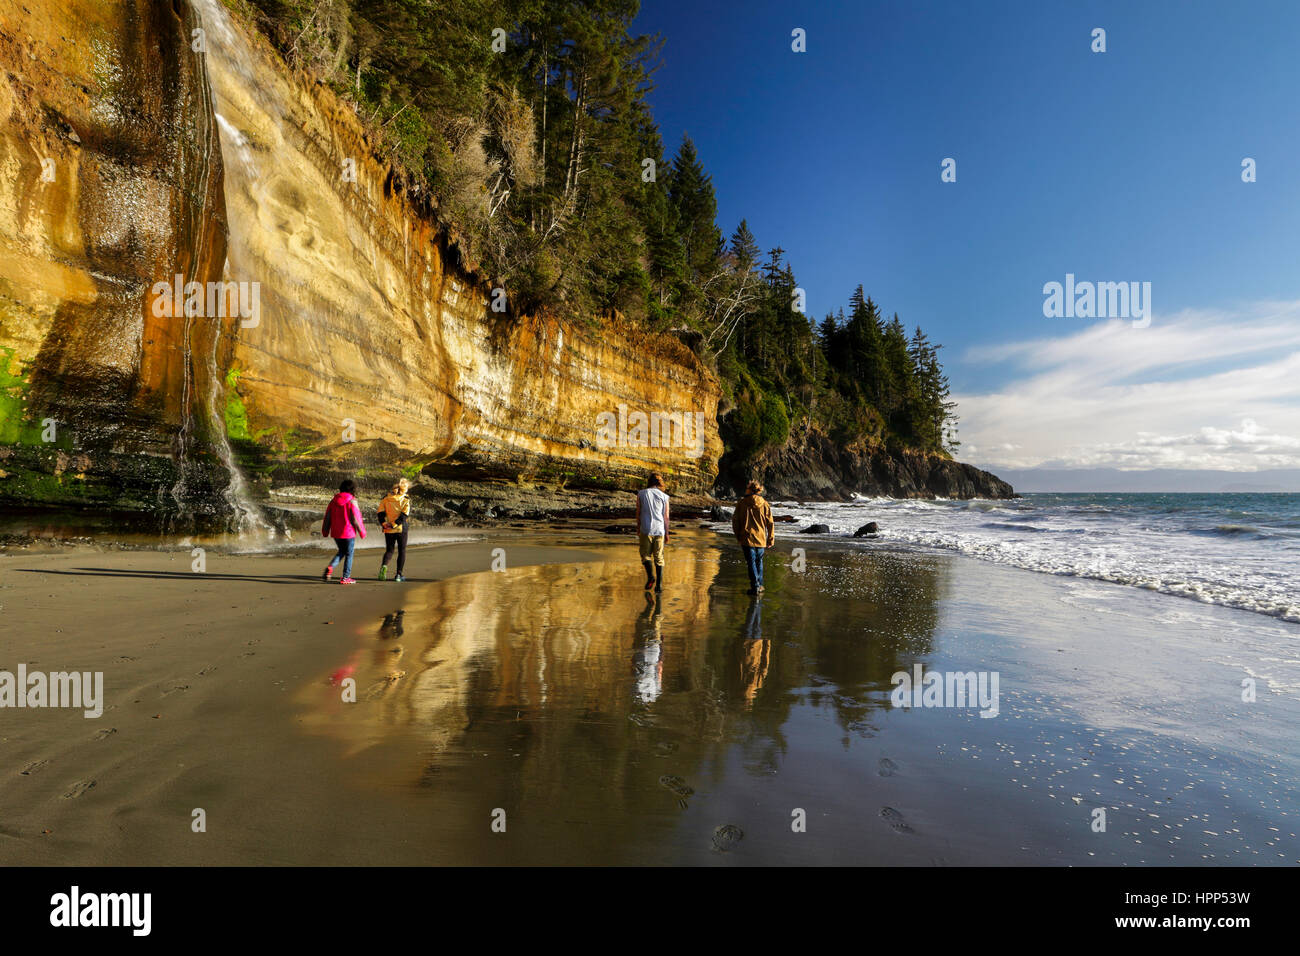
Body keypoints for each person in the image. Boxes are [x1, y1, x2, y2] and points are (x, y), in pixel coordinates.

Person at [731, 480, 774, 595]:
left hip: (746, 537)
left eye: (747, 488)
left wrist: (738, 536)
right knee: (759, 561)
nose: (745, 489)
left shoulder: (742, 503)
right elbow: (770, 523)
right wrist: (771, 538)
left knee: (751, 563)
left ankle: (755, 586)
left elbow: (735, 521)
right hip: (761, 538)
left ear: (749, 489)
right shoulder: (765, 504)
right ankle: (759, 585)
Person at [321, 479, 367, 584]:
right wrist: (362, 531)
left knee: (342, 551)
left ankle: (330, 567)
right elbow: (356, 518)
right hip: (349, 532)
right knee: (349, 554)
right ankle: (346, 577)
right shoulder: (352, 501)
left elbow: (327, 517)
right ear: (353, 489)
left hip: (336, 532)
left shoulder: (333, 501)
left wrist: (325, 530)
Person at [635, 473, 670, 593]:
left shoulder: (641, 494)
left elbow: (638, 513)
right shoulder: (665, 497)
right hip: (660, 530)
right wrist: (667, 533)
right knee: (659, 557)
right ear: (659, 482)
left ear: (649, 482)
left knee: (645, 555)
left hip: (646, 529)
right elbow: (666, 517)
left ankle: (651, 576)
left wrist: (638, 527)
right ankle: (659, 585)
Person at [376, 478, 412, 582]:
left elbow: (380, 513)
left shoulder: (386, 498)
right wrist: (394, 524)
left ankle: (384, 567)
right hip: (401, 528)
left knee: (389, 550)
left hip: (388, 529)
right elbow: (404, 515)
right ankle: (398, 575)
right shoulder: (405, 499)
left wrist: (384, 523)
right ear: (404, 489)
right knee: (402, 551)